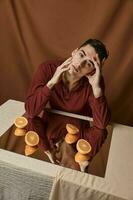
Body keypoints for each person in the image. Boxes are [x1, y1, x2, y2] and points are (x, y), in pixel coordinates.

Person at [25, 38, 111, 166]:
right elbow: (31, 111)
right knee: (30, 118)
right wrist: (52, 82)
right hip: (52, 126)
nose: (80, 64)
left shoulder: (95, 81)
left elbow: (101, 125)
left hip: (79, 131)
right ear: (74, 52)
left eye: (89, 63)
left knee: (101, 132)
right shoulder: (47, 68)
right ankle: (52, 152)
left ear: (93, 70)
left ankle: (82, 162)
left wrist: (97, 90)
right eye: (81, 55)